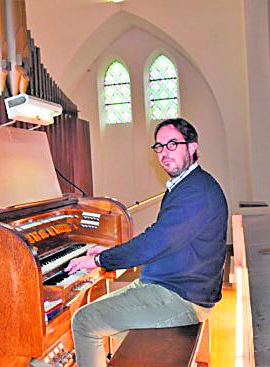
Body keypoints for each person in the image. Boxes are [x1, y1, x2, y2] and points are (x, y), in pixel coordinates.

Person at [64, 118, 228, 367]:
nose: (164, 153)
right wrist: (111, 251)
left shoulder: (196, 191)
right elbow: (160, 236)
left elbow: (155, 242)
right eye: (159, 147)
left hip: (183, 298)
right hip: (167, 285)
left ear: (192, 147)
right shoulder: (185, 186)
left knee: (84, 321)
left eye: (172, 144)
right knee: (105, 316)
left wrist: (98, 260)